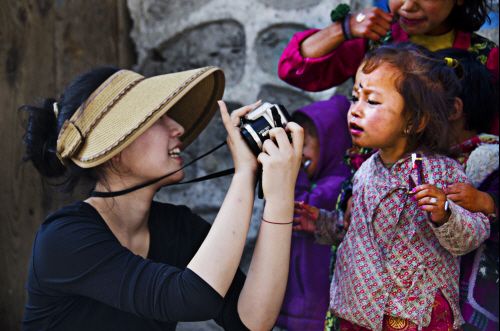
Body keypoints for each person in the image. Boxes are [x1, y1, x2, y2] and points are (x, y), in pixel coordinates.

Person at [20, 66, 304, 331]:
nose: (178, 128)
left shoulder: (178, 229)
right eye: (157, 119)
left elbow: (252, 320)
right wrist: (243, 174)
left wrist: (279, 197)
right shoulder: (64, 239)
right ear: (114, 147)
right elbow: (191, 296)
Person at [303, 43, 491, 330]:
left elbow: (473, 235)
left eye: (372, 102)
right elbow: (360, 231)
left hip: (413, 316)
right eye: (355, 97)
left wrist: (445, 214)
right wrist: (324, 224)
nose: (355, 110)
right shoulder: (366, 169)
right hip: (358, 312)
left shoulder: (441, 172)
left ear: (414, 120)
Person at [277, 0, 499, 133]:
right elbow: (294, 69)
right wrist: (345, 28)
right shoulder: (376, 39)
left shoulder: (486, 58)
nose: (408, 5)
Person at [276, 95, 351, 331]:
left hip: (316, 310)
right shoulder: (319, 182)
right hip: (300, 306)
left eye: (304, 143)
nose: (300, 154)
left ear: (331, 141)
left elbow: (294, 208)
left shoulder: (337, 185)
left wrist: (292, 170)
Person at [436, 48, 499, 331]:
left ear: (453, 110)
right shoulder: (422, 158)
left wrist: (487, 202)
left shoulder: (489, 158)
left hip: (478, 302)